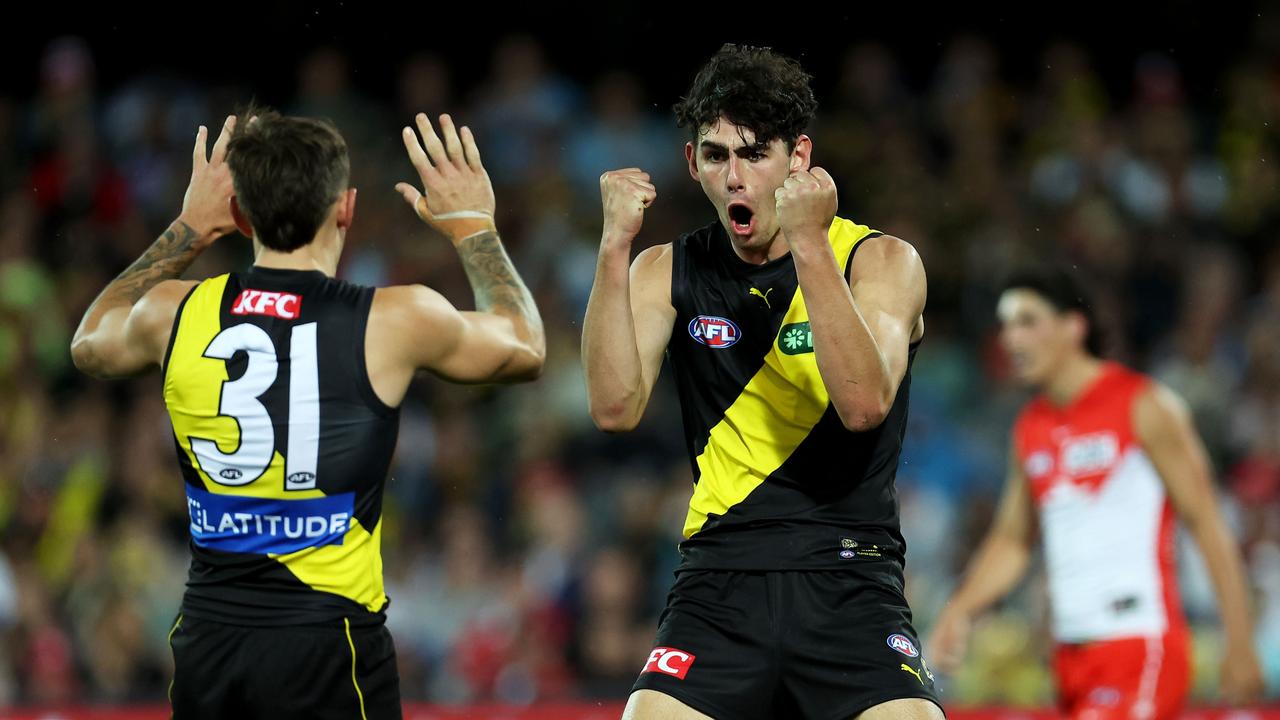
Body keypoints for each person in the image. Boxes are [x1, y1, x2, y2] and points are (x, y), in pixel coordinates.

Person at [70, 109, 544, 719]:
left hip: (211, 643)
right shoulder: (393, 320)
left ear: (240, 215)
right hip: (331, 643)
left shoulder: (172, 312)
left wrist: (189, 227)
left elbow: (89, 341)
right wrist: (474, 228)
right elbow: (525, 347)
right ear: (345, 208)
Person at [582, 44, 942, 720]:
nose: (735, 177)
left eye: (755, 154)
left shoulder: (881, 262)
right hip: (720, 580)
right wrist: (612, 248)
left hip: (850, 576)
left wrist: (810, 245)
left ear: (798, 158)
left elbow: (863, 404)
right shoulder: (667, 269)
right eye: (716, 156)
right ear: (693, 164)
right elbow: (612, 407)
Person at [927, 267, 1264, 719]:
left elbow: (1207, 523)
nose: (1011, 340)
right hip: (1069, 657)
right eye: (1006, 325)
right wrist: (960, 609)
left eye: (1027, 321)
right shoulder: (1031, 427)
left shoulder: (1144, 405)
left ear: (1073, 326)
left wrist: (1239, 641)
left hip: (1139, 644)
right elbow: (1011, 540)